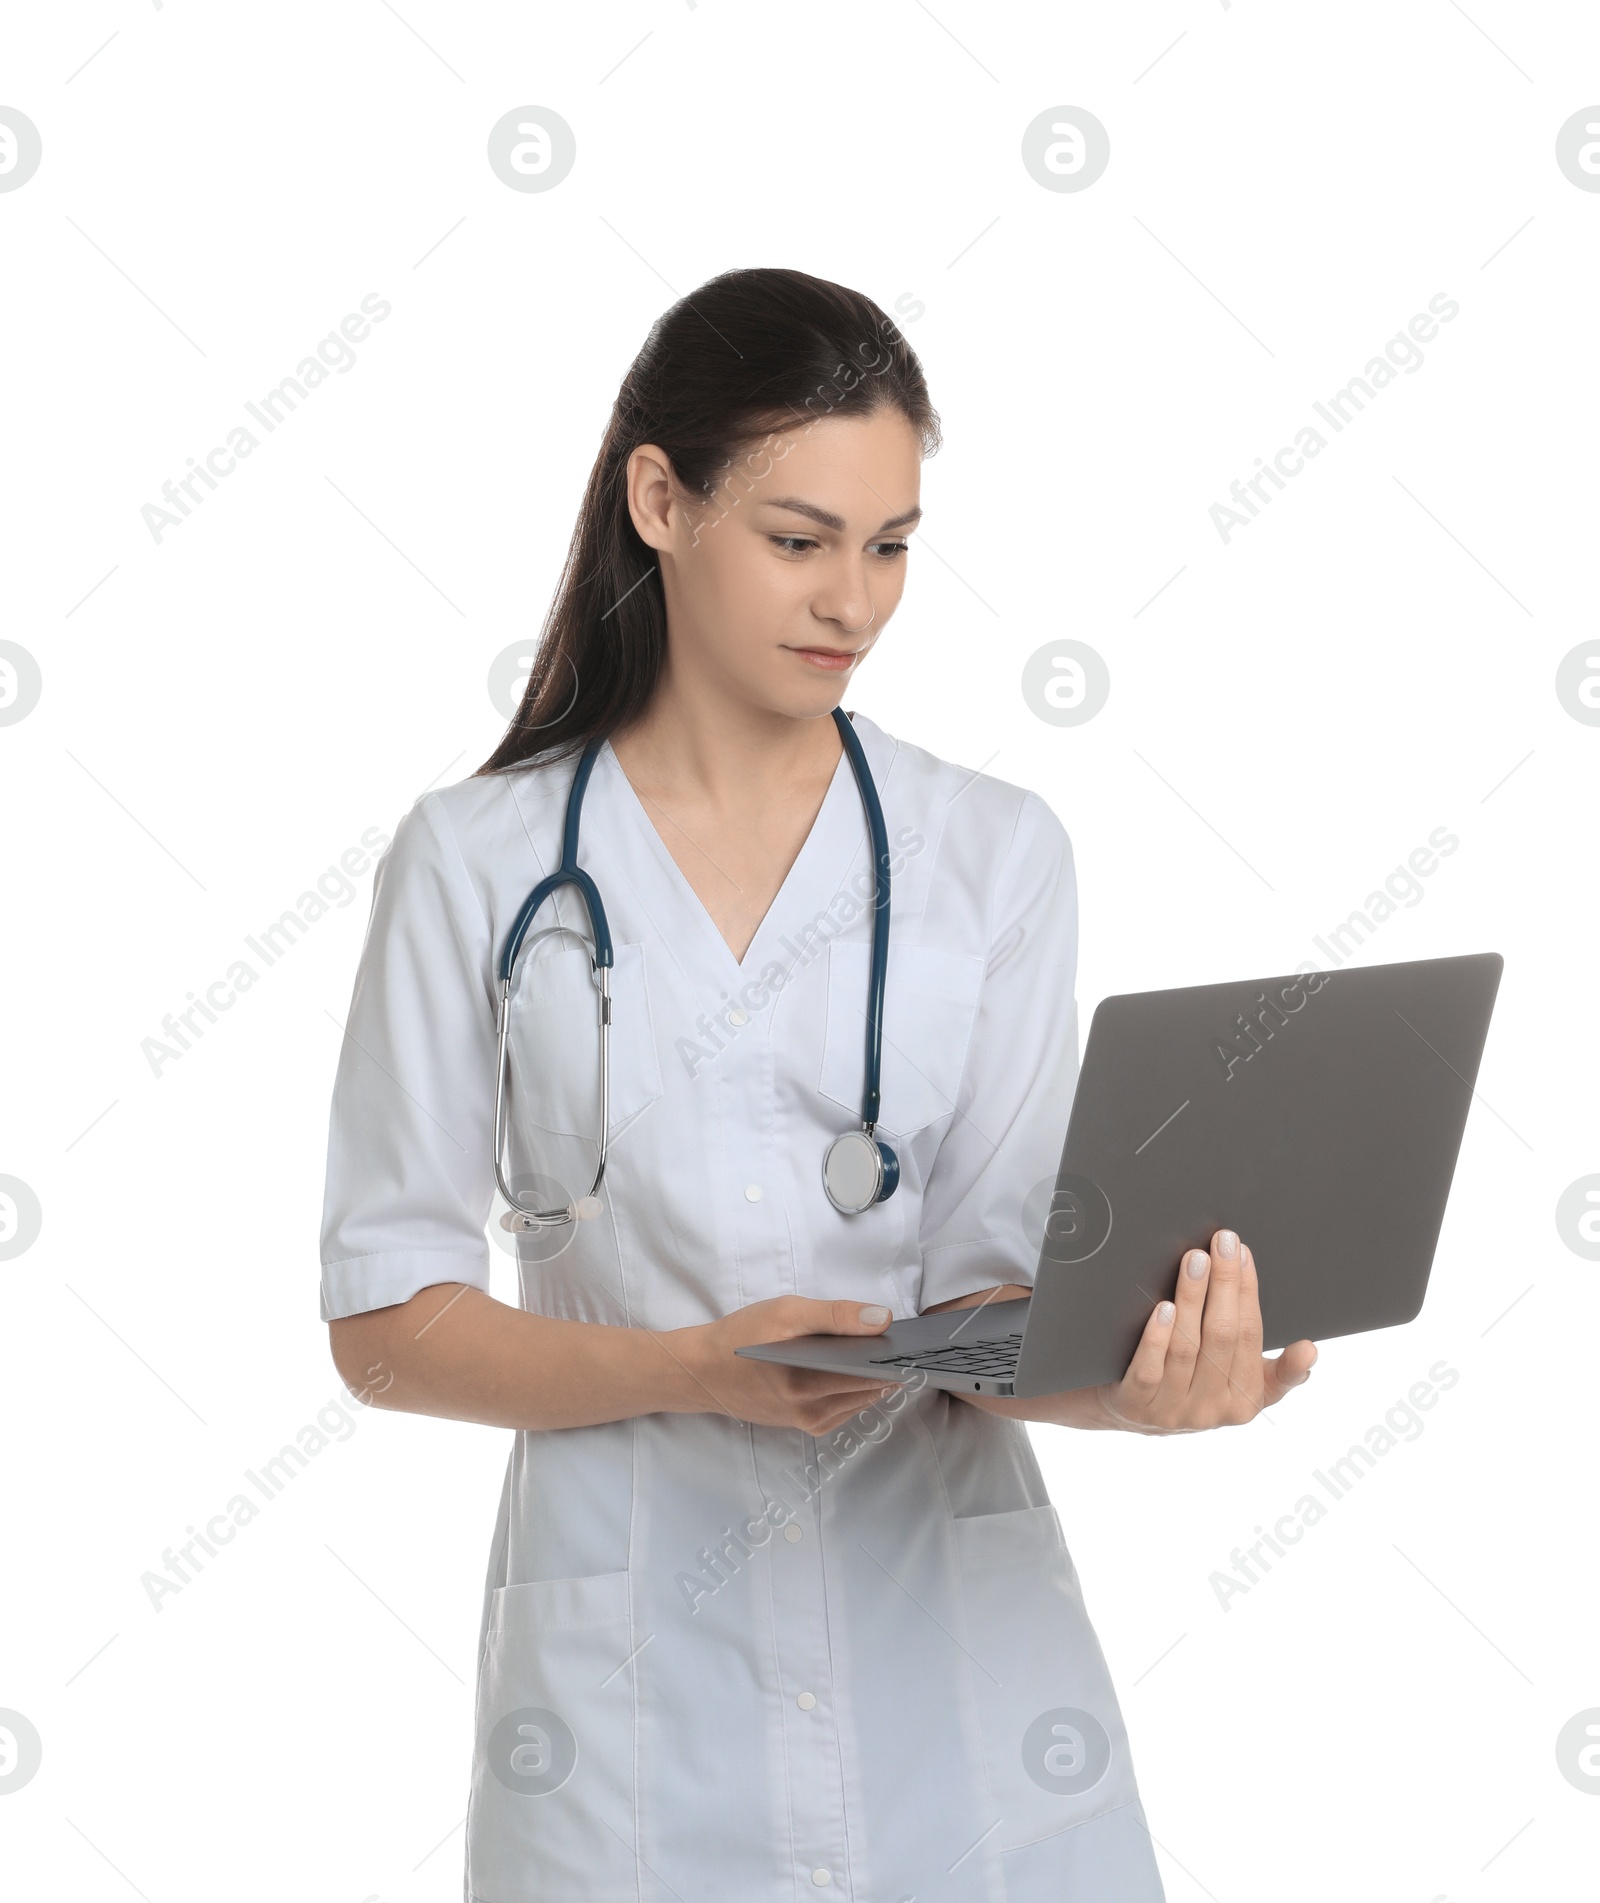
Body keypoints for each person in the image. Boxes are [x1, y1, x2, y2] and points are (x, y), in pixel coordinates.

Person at [319, 266, 1317, 1901]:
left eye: (893, 544)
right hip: (633, 1696)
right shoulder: (478, 861)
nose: (851, 600)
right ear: (660, 498)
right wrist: (689, 1369)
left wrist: (1136, 1389)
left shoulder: (992, 854)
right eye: (798, 539)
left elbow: (1004, 1302)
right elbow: (385, 1328)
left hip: (960, 1684)